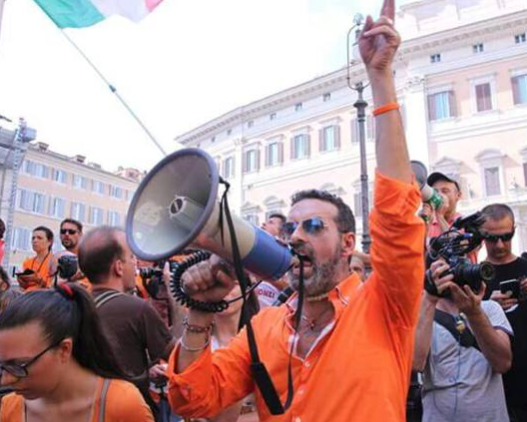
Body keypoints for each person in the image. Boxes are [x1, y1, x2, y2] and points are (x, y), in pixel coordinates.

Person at [167, 2, 425, 420]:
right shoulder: (265, 327)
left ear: (346, 244)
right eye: (291, 227)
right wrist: (199, 313)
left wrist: (380, 79)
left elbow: (397, 212)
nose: (296, 235)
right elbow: (193, 401)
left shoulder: (385, 304)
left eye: (314, 225)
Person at [0, 283, 154, 421]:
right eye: (3, 366)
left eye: (19, 365)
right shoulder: (10, 407)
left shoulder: (123, 405)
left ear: (64, 350)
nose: (6, 380)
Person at [78, 226, 176, 419]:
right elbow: (181, 357)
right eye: (131, 256)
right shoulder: (137, 309)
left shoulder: (75, 306)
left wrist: (146, 368)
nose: (136, 263)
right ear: (118, 267)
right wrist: (176, 296)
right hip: (129, 412)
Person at [413, 259, 513, 422]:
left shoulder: (490, 309)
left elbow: (503, 363)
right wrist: (429, 297)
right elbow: (415, 364)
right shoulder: (423, 315)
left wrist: (474, 313)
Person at [480, 203, 527, 422]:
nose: (499, 244)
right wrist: (486, 306)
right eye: (492, 238)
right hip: (494, 387)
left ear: (514, 232)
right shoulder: (473, 276)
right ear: (481, 236)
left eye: (506, 236)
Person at [18, 226, 57, 292]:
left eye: (39, 238)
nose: (35, 241)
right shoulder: (27, 262)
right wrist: (21, 281)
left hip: (44, 298)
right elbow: (23, 287)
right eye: (33, 238)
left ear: (49, 242)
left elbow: (53, 288)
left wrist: (38, 280)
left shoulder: (55, 261)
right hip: (27, 297)